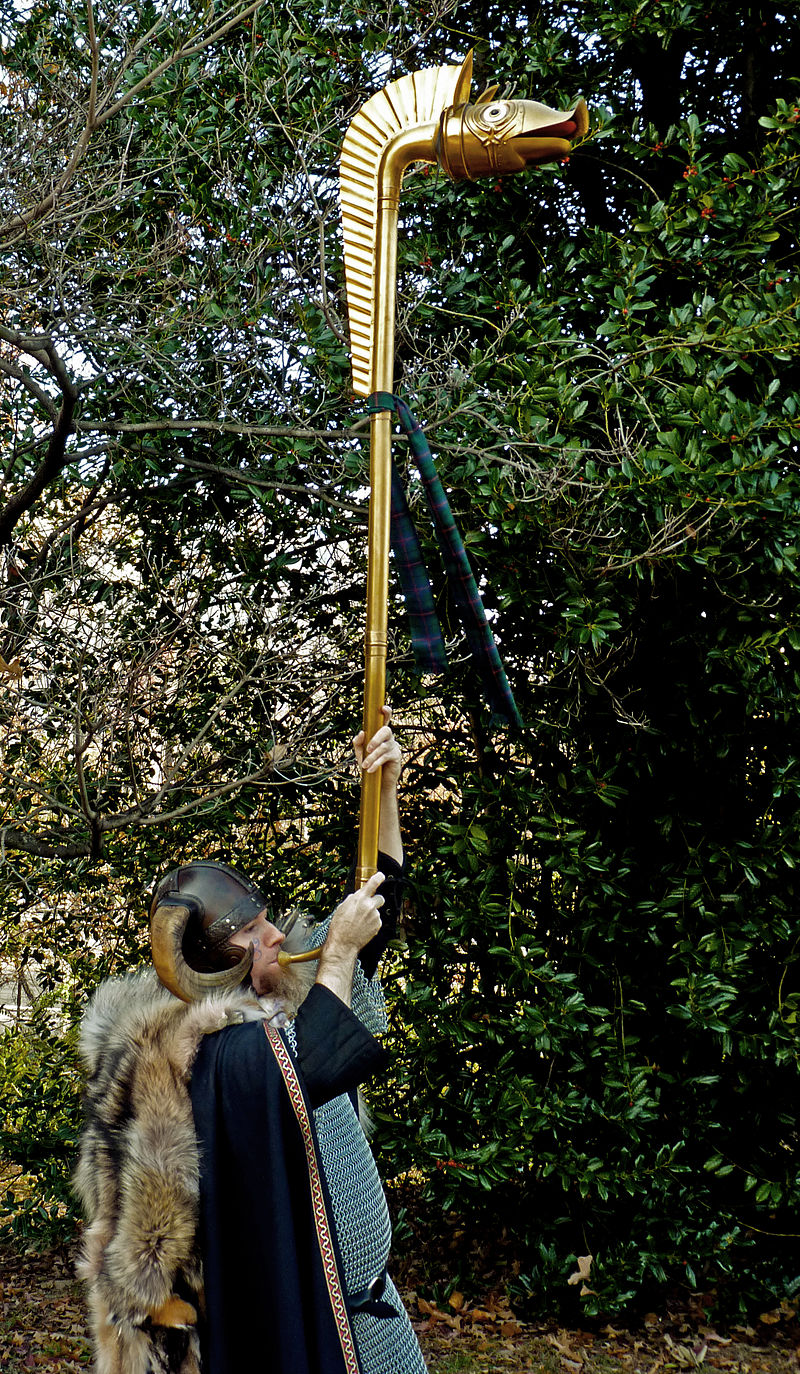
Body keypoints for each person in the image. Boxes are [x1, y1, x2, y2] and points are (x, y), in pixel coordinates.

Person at [74, 708, 428, 1374]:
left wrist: (385, 792)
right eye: (252, 933)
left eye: (268, 924)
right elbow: (311, 1062)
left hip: (365, 1316)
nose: (273, 939)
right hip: (299, 1328)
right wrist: (337, 955)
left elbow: (373, 918)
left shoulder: (280, 1003)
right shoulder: (211, 1056)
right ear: (215, 966)